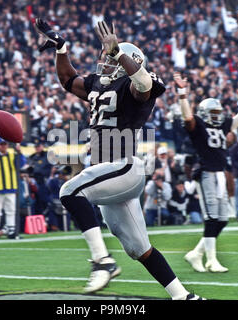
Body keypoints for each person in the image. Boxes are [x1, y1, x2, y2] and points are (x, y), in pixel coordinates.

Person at [35, 18, 204, 299]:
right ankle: (184, 296)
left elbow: (144, 83)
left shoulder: (133, 84)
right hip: (107, 175)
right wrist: (62, 49)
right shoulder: (98, 85)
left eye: (110, 59)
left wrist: (119, 54)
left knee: (70, 190)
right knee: (140, 250)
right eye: (107, 58)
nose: (105, 63)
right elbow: (67, 80)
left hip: (124, 167)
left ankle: (102, 261)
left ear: (126, 60)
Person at [174, 72, 238, 273]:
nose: (217, 116)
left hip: (220, 174)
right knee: (212, 217)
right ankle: (211, 260)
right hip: (206, 172)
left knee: (222, 219)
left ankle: (196, 254)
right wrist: (182, 93)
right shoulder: (197, 125)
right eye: (213, 113)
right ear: (205, 113)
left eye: (218, 112)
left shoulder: (224, 124)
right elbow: (187, 116)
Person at [0, 138, 26, 239]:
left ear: (7, 145)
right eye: (1, 144)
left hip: (11, 187)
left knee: (11, 210)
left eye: (5, 144)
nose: (3, 146)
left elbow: (22, 164)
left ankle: (11, 230)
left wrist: (20, 152)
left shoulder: (13, 155)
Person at [28, 142, 53, 215]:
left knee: (44, 201)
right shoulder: (32, 157)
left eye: (39, 146)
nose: (37, 148)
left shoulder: (48, 155)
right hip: (33, 182)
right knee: (35, 203)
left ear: (42, 146)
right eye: (36, 146)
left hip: (44, 182)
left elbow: (53, 167)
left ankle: (46, 218)